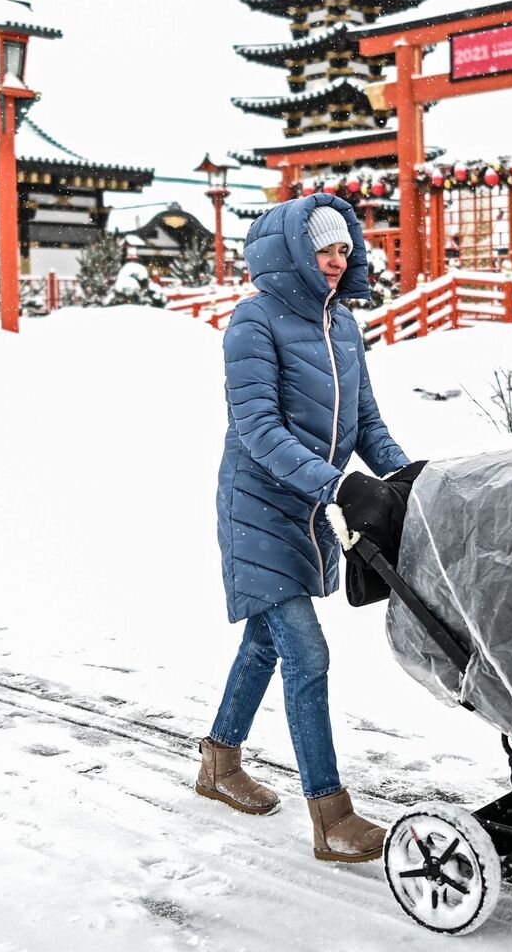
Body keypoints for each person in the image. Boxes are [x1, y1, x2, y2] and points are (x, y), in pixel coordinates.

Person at [202, 195, 414, 864]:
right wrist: (338, 486)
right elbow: (257, 431)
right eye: (324, 248)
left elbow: (368, 426)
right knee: (305, 653)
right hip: (258, 506)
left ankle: (218, 762)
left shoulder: (343, 324)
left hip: (311, 510)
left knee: (265, 643)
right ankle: (329, 816)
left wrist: (411, 478)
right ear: (293, 250)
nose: (335, 259)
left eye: (345, 249)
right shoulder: (253, 321)